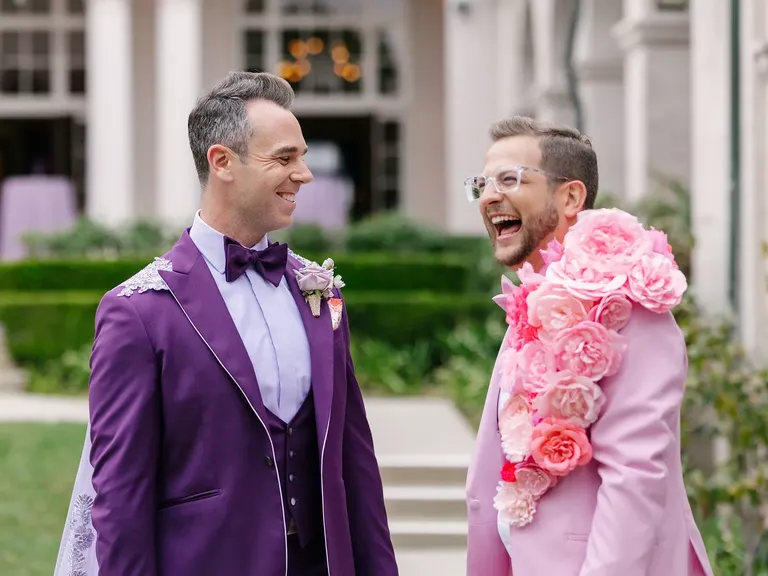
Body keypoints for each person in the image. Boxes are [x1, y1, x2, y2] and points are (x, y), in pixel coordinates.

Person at [54, 71, 398, 576]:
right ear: (223, 162)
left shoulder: (319, 290)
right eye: (284, 158)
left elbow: (355, 461)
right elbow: (121, 496)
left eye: (301, 156)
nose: (304, 174)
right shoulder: (140, 311)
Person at [464, 116, 714, 576]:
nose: (488, 196)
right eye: (481, 183)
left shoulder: (628, 309)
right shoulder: (534, 300)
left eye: (509, 179)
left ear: (571, 196)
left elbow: (636, 479)